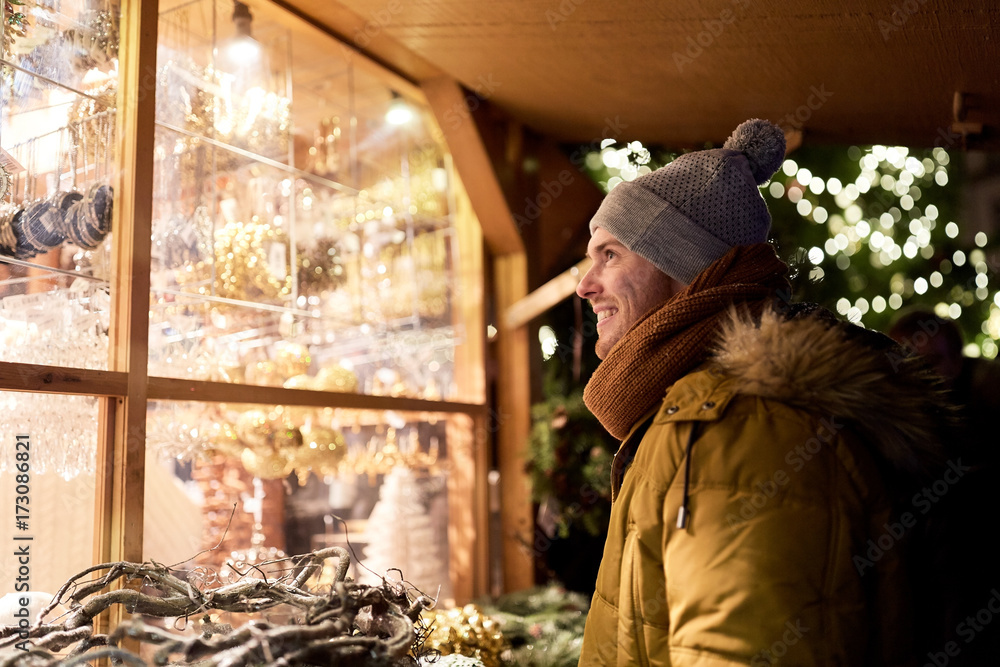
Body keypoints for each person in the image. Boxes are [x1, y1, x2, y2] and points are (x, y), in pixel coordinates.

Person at [574, 119, 947, 665]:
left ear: (685, 267)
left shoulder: (744, 431)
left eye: (610, 254)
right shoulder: (692, 413)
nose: (585, 284)